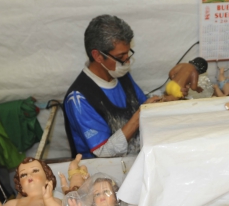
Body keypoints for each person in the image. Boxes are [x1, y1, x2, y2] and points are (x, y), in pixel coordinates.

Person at [64, 15, 173, 159]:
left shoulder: (120, 75)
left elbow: (142, 103)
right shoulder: (79, 99)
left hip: (137, 158)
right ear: (97, 56)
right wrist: (140, 114)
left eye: (128, 54)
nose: (127, 62)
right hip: (103, 169)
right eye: (121, 57)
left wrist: (163, 101)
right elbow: (104, 152)